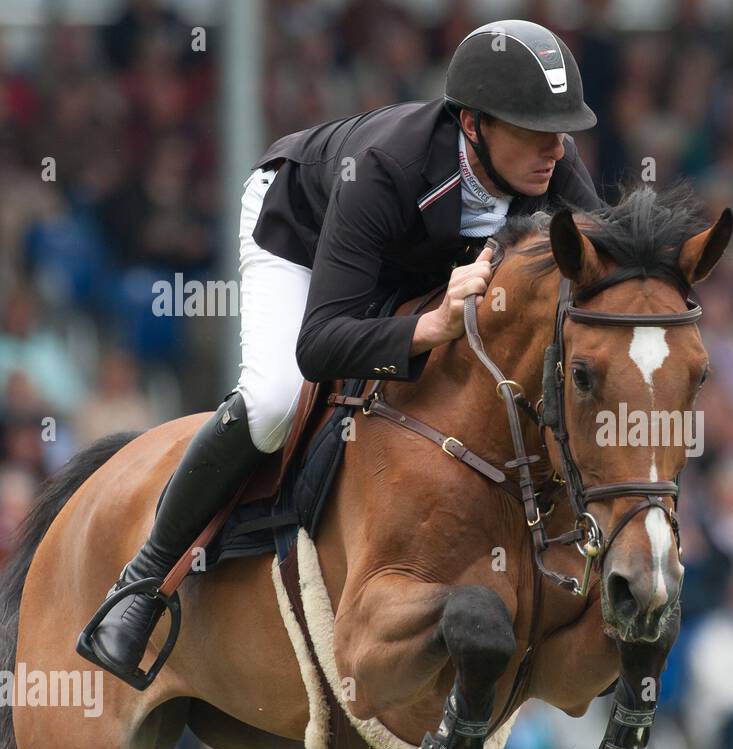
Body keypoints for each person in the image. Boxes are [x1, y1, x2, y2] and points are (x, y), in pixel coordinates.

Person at [77, 20, 602, 688]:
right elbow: (322, 340)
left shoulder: (550, 161)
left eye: (562, 131)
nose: (555, 148)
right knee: (272, 403)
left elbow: (600, 274)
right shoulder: (389, 165)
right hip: (297, 232)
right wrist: (431, 325)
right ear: (473, 124)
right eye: (535, 130)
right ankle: (143, 581)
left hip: (405, 260)